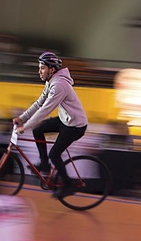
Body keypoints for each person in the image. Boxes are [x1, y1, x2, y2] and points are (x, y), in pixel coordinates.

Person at [13, 52, 89, 198]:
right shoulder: (51, 81)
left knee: (54, 154)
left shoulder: (59, 85)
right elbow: (39, 103)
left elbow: (45, 110)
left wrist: (25, 126)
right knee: (38, 130)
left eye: (42, 68)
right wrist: (22, 118)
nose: (39, 71)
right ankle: (45, 165)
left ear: (52, 69)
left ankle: (68, 184)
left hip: (75, 126)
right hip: (66, 120)